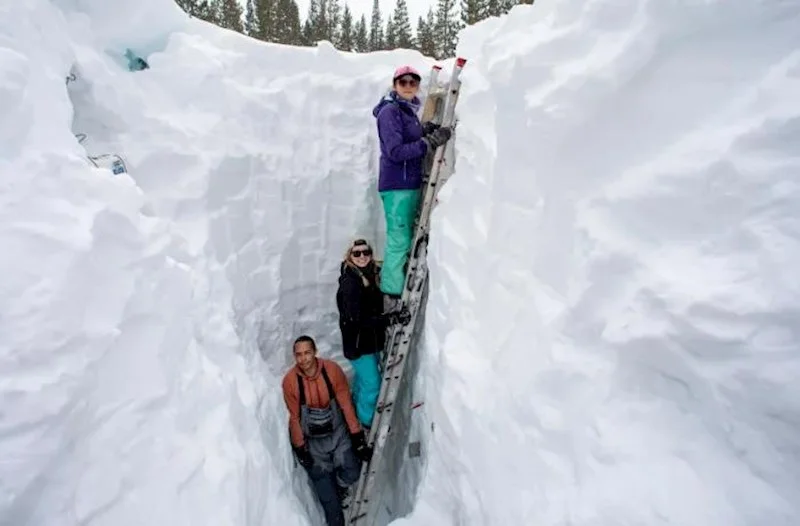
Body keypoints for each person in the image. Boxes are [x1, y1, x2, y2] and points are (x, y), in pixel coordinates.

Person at [372, 65, 453, 303]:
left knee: (403, 238)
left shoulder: (405, 111)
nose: (409, 86)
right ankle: (392, 294)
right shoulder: (390, 111)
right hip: (397, 185)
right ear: (395, 84)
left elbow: (406, 137)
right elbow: (395, 151)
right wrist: (427, 142)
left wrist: (424, 131)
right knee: (399, 240)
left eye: (413, 82)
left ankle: (395, 285)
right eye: (403, 82)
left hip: (407, 183)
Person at [282, 335, 373, 526]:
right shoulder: (290, 381)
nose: (303, 359)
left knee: (353, 472)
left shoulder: (332, 371)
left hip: (338, 434)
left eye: (307, 353)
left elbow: (346, 404)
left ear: (315, 352)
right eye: (299, 355)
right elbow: (295, 417)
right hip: (313, 443)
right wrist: (300, 448)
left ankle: (339, 485)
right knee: (330, 504)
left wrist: (356, 437)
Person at [336, 238, 409, 430]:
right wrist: (389, 319)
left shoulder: (371, 273)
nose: (362, 256)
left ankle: (355, 411)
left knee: (363, 381)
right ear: (349, 256)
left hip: (371, 342)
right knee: (373, 385)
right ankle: (367, 423)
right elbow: (357, 319)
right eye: (357, 253)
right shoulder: (350, 283)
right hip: (359, 346)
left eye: (365, 252)